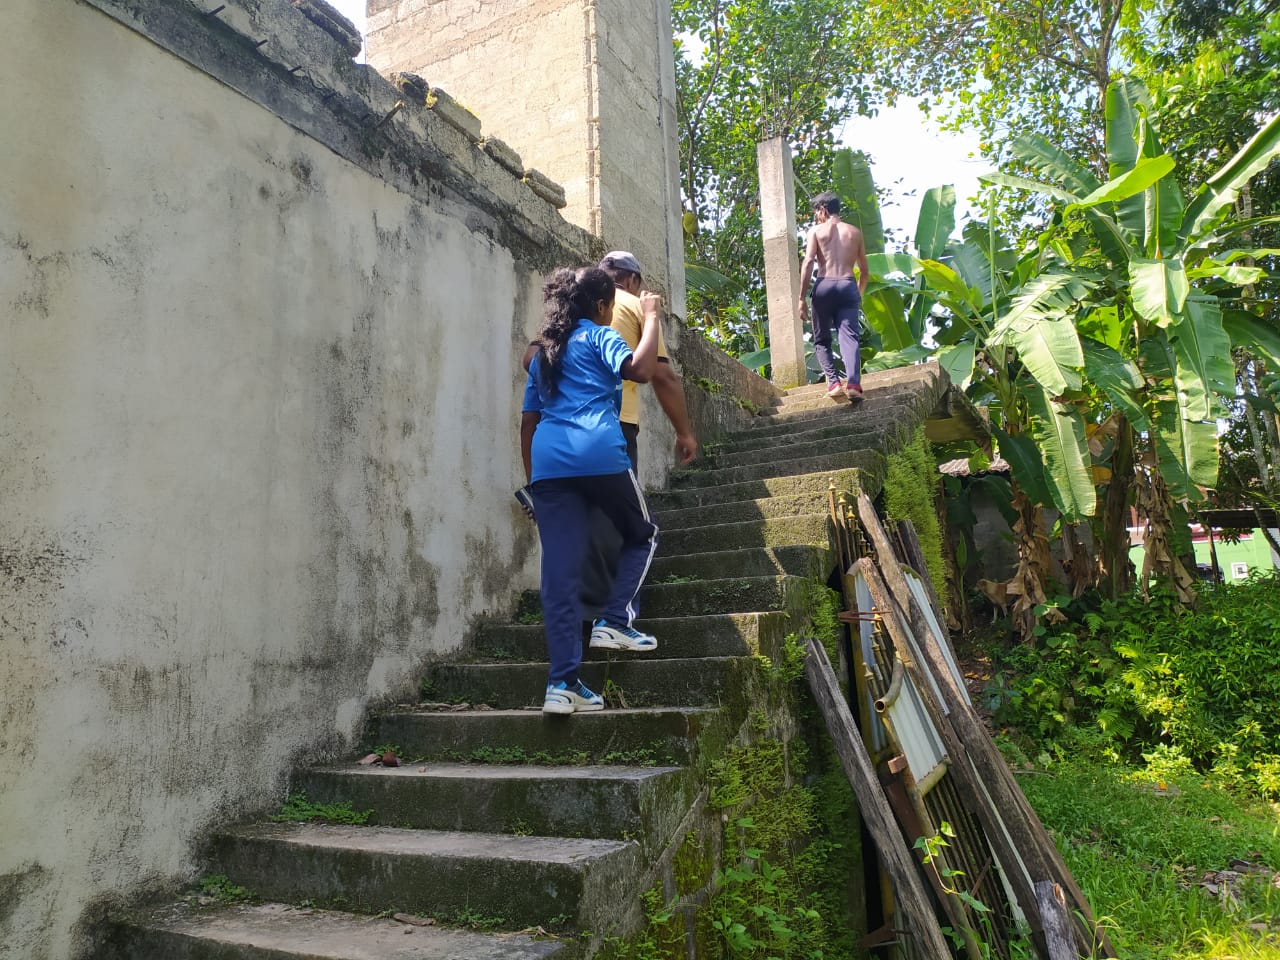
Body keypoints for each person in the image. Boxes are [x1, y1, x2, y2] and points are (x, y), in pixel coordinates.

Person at [520, 267, 662, 715]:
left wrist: (534, 486)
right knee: (642, 534)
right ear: (602, 307)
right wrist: (653, 316)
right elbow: (640, 371)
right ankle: (614, 619)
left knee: (559, 577)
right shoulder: (599, 337)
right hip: (598, 453)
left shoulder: (545, 352)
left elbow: (528, 421)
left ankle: (561, 684)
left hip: (549, 466)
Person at [798, 191, 870, 402]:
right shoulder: (855, 232)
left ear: (823, 209)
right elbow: (865, 272)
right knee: (849, 337)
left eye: (817, 212)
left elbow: (808, 262)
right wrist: (858, 294)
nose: (816, 217)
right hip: (848, 286)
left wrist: (801, 298)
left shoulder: (817, 231)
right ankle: (854, 385)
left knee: (821, 340)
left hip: (824, 285)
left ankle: (834, 382)